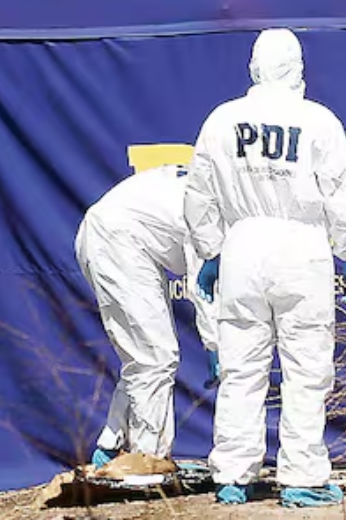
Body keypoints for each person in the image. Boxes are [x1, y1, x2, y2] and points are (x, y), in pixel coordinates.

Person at [185, 29, 346, 508]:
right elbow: (342, 195)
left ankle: (232, 474)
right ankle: (302, 476)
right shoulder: (318, 120)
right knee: (306, 368)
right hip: (302, 249)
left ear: (253, 66)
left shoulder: (223, 120)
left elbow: (199, 194)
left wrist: (211, 252)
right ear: (298, 67)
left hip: (242, 247)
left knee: (241, 368)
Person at [75, 164, 218, 467]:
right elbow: (203, 286)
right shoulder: (214, 206)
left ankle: (112, 447)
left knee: (144, 357)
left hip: (119, 235)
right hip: (115, 238)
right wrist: (215, 346)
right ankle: (146, 461)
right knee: (155, 356)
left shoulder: (218, 186)